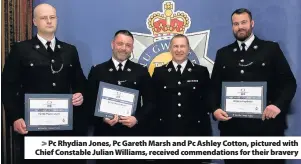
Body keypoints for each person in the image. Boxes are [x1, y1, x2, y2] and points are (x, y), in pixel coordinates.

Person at [2, 3, 87, 164]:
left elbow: (80, 82)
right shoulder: (21, 49)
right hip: (33, 127)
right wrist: (15, 117)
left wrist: (80, 95)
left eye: (52, 17)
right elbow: (8, 86)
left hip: (64, 128)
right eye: (44, 18)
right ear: (35, 22)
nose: (49, 21)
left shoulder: (70, 50)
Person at [211, 8, 297, 164]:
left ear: (252, 23)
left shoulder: (271, 49)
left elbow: (289, 83)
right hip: (233, 131)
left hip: (267, 130)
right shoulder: (223, 53)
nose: (240, 27)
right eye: (235, 24)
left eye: (243, 22)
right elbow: (213, 88)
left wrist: (277, 106)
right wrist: (215, 109)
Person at [86, 30, 154, 164]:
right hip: (105, 136)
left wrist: (137, 118)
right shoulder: (98, 70)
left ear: (132, 48)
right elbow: (89, 102)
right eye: (120, 43)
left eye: (128, 45)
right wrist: (102, 118)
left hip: (133, 136)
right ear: (112, 44)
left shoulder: (141, 71)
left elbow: (151, 101)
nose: (124, 48)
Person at [151, 34, 212, 163]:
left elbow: (208, 100)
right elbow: (152, 103)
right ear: (170, 49)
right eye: (176, 46)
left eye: (182, 46)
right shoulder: (159, 72)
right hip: (166, 134)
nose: (179, 50)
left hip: (194, 135)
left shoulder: (201, 72)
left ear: (189, 49)